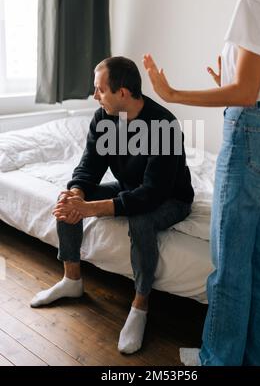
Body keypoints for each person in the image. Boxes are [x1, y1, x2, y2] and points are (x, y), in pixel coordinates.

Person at [143, 0, 260, 366]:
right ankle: (256, 360)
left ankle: (218, 360)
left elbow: (247, 94)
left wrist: (172, 94)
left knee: (230, 267)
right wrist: (228, 81)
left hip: (252, 135)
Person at [30, 56, 194, 354]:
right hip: (132, 187)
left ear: (123, 92)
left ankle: (140, 305)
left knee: (141, 219)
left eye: (100, 90)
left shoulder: (163, 125)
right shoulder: (105, 118)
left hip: (171, 196)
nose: (95, 96)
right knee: (68, 198)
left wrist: (92, 209)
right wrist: (78, 194)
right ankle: (72, 279)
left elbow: (153, 195)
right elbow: (88, 167)